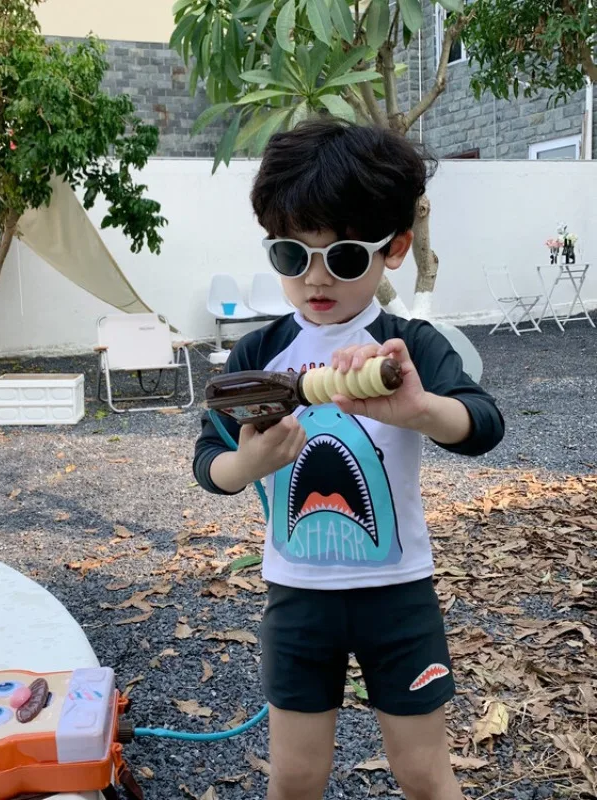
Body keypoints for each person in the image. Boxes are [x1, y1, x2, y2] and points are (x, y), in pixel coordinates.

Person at [192, 118, 504, 800]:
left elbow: (482, 424)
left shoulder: (408, 346)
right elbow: (211, 459)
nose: (315, 278)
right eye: (290, 255)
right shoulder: (256, 356)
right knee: (298, 776)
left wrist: (419, 408)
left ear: (393, 250)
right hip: (299, 597)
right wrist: (250, 466)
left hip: (399, 594)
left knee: (423, 771)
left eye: (344, 257)